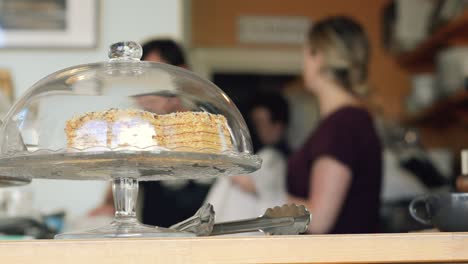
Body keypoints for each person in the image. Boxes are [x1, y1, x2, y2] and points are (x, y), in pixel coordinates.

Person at [89, 39, 211, 227]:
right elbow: (121, 175)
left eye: (154, 78)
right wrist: (107, 206)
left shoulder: (207, 125)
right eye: (141, 81)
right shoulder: (138, 130)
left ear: (182, 73)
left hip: (210, 237)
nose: (145, 91)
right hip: (156, 235)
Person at [287, 16, 382, 234]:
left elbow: (319, 220)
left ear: (318, 57)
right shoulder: (348, 120)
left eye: (306, 53)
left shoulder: (342, 125)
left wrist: (267, 192)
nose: (303, 62)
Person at [205, 93, 290, 222]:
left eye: (260, 123)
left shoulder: (275, 157)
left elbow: (252, 184)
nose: (255, 129)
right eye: (254, 122)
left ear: (277, 127)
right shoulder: (257, 153)